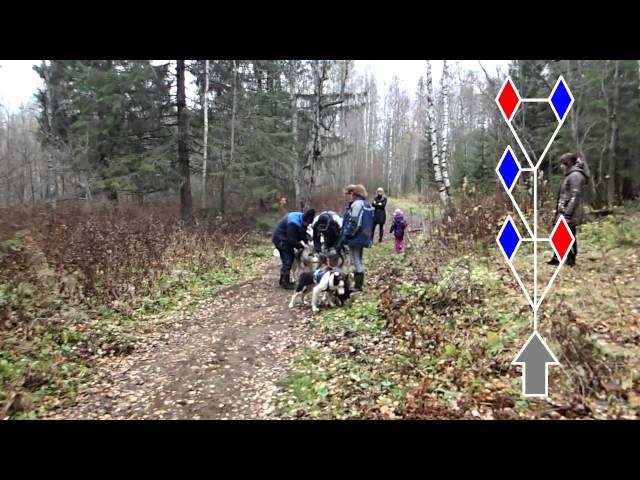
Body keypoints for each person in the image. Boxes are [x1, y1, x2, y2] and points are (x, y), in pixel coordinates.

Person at [547, 153, 590, 266]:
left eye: (563, 164)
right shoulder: (570, 175)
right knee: (561, 234)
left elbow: (575, 197)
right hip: (565, 211)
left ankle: (570, 260)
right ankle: (558, 258)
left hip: (570, 212)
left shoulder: (575, 176)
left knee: (569, 235)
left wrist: (567, 213)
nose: (561, 166)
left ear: (568, 164)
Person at [336, 184, 374, 291]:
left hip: (355, 237)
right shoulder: (366, 204)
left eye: (348, 194)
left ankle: (358, 286)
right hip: (364, 236)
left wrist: (346, 237)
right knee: (359, 259)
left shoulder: (357, 205)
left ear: (353, 193)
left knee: (355, 260)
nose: (348, 196)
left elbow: (354, 223)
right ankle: (359, 284)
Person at [272, 209, 316, 289]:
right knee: (288, 259)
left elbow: (302, 233)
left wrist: (306, 242)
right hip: (280, 239)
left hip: (286, 237)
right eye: (307, 223)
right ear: (305, 220)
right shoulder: (293, 223)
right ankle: (285, 282)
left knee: (290, 257)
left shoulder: (302, 219)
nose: (307, 225)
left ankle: (283, 280)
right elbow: (292, 239)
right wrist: (302, 246)